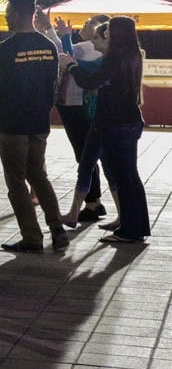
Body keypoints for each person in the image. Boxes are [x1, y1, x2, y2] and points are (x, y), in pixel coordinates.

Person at [0, 0, 69, 253]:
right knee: (38, 175)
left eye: (8, 12)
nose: (6, 17)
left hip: (13, 124)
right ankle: (57, 229)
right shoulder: (48, 46)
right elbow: (54, 84)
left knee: (16, 181)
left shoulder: (7, 48)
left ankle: (32, 237)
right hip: (39, 122)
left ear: (19, 14)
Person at [61, 16, 148, 243]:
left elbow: (89, 82)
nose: (107, 35)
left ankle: (129, 231)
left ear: (117, 34)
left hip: (114, 122)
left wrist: (70, 66)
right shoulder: (134, 54)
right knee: (131, 177)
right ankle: (138, 226)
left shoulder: (114, 57)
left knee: (123, 177)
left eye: (110, 32)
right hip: (131, 120)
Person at [38, 9, 111, 222]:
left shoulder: (92, 49)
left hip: (77, 104)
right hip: (73, 103)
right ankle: (94, 202)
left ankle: (92, 202)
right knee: (87, 154)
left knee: (85, 154)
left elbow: (63, 54)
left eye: (90, 24)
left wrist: (55, 31)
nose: (85, 26)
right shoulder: (89, 48)